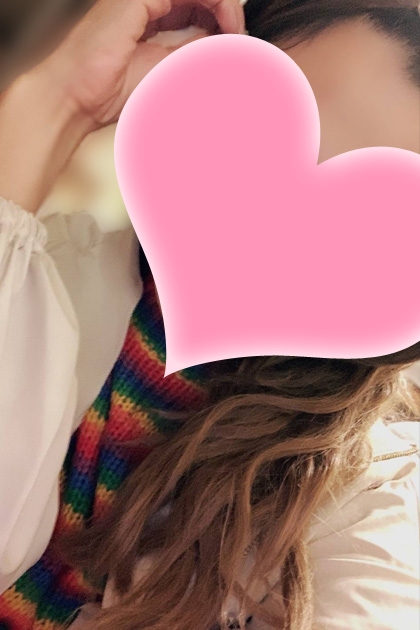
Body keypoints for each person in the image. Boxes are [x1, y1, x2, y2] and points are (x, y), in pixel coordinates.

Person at [0, 0, 419, 628]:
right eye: (274, 141)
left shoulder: (369, 498)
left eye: (364, 229)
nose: (274, 228)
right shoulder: (46, 267)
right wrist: (55, 101)